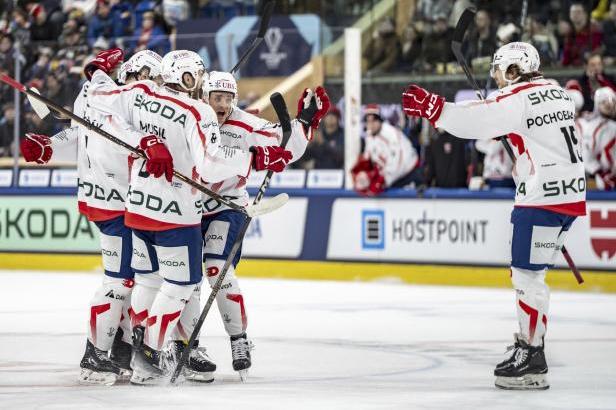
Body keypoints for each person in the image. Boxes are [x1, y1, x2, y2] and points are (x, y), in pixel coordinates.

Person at [86, 50, 293, 384]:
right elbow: (210, 164)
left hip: (137, 208)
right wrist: (255, 158)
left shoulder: (140, 93)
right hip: (177, 213)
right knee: (183, 283)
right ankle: (150, 353)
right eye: (198, 74)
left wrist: (98, 72)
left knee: (150, 280)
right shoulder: (197, 111)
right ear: (189, 77)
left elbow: (99, 102)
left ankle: (154, 351)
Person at [402, 42, 586, 390]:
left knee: (527, 276)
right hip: (571, 196)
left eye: (500, 71)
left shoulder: (515, 101)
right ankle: (530, 344)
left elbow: (474, 121)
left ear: (514, 68)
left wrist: (433, 108)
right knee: (533, 273)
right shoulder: (558, 93)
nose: (497, 79)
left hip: (541, 199)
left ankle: (532, 357)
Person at [200, 71, 329, 379]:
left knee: (217, 267)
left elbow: (286, 145)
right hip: (186, 209)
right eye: (216, 98)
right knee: (185, 281)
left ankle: (239, 339)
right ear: (204, 97)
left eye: (228, 99)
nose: (222, 105)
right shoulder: (190, 117)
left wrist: (303, 123)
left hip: (226, 208)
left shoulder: (244, 122)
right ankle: (185, 347)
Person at [351, 104, 419, 196]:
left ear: (380, 120)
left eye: (374, 120)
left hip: (409, 174)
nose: (371, 124)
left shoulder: (390, 133)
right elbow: (369, 158)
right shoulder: (370, 136)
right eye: (368, 121)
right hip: (393, 176)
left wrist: (384, 181)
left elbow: (398, 161)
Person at [581, 87, 616, 190]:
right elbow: (587, 155)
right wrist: (601, 173)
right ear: (597, 105)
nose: (609, 104)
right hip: (602, 180)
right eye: (604, 102)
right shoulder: (593, 127)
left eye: (612, 100)